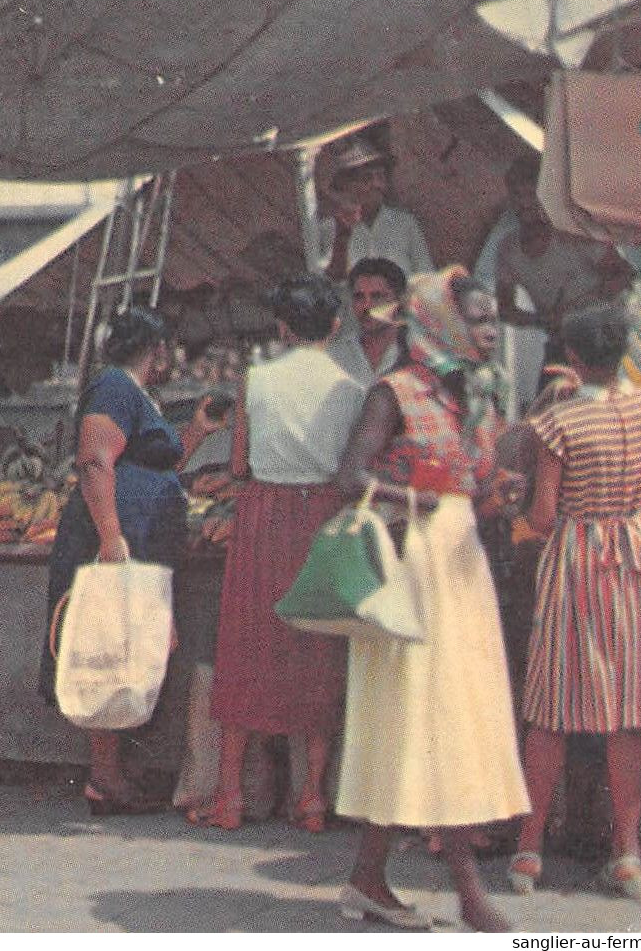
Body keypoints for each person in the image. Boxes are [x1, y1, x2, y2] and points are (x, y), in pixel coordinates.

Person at [331, 266, 529, 932]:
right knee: (429, 718)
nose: (488, 328)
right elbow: (348, 476)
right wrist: (413, 498)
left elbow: (465, 490)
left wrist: (492, 499)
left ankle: (366, 878)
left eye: (490, 316)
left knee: (430, 721)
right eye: (475, 317)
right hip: (414, 570)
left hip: (459, 568)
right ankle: (469, 892)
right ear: (440, 322)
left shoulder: (468, 394)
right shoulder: (394, 393)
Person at [194, 276, 362, 832]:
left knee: (247, 646)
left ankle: (229, 796)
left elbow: (239, 465)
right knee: (318, 650)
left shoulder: (257, 380)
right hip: (324, 514)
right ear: (335, 327)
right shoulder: (351, 384)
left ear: (283, 327)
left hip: (263, 514)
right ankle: (312, 797)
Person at [509, 302, 641, 905]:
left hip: (579, 555)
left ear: (572, 358)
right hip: (638, 556)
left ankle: (528, 851)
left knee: (553, 706)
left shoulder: (560, 425)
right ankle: (626, 856)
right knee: (628, 711)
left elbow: (543, 515)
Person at [42, 306, 222, 815]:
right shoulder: (115, 389)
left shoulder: (136, 395)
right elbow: (95, 460)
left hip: (140, 535)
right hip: (119, 537)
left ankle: (114, 770)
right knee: (110, 645)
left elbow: (156, 463)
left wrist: (197, 432)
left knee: (132, 646)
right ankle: (104, 777)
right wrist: (111, 538)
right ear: (158, 349)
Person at [494, 154, 634, 358]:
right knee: (552, 389)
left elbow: (624, 275)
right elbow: (505, 310)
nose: (524, 203)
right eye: (516, 195)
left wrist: (574, 310)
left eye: (530, 194)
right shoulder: (508, 249)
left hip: (605, 339)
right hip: (562, 344)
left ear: (544, 194)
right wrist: (541, 320)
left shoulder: (574, 231)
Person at [308, 135, 434, 284]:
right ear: (346, 185)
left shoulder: (405, 224)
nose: (376, 185)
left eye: (380, 177)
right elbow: (327, 283)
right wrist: (342, 236)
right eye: (366, 178)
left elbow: (427, 277)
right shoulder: (329, 229)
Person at [327, 258, 407, 387]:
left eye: (377, 297)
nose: (366, 305)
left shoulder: (418, 350)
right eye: (359, 297)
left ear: (398, 302)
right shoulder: (335, 356)